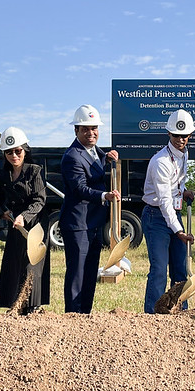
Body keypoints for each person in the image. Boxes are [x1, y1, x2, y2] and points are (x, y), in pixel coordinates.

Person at [60, 104, 120, 313]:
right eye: (85, 128)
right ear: (76, 130)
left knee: (90, 272)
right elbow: (80, 188)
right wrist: (105, 196)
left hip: (93, 223)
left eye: (94, 128)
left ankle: (85, 316)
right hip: (78, 225)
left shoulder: (95, 151)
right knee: (77, 274)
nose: (91, 132)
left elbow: (97, 163)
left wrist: (108, 157)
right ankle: (73, 317)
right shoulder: (72, 156)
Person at [142, 109, 195, 313]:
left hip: (174, 215)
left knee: (180, 269)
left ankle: (180, 311)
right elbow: (164, 201)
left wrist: (183, 191)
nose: (180, 139)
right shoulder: (160, 162)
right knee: (158, 270)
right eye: (176, 135)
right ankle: (152, 315)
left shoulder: (183, 154)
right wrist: (178, 231)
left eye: (184, 135)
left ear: (190, 135)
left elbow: (175, 185)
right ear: (168, 134)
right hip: (156, 217)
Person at [0, 126, 50, 314]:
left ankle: (32, 306)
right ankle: (14, 304)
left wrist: (24, 217)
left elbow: (40, 199)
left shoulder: (35, 171)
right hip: (15, 225)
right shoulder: (4, 174)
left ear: (25, 150)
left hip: (34, 224)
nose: (14, 155)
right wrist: (4, 211)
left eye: (18, 151)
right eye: (9, 152)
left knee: (31, 264)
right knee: (14, 263)